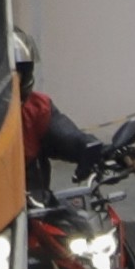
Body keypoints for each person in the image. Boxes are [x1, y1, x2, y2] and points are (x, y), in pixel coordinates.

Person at [16, 32, 117, 194]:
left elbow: (68, 137)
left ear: (25, 73)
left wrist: (107, 152)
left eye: (13, 72)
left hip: (32, 205)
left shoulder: (36, 108)